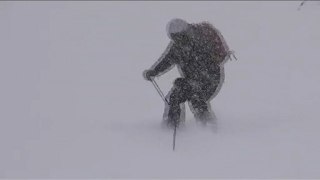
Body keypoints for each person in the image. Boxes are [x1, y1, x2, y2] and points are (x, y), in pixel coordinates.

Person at [143, 18, 234, 128]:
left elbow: (207, 64)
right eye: (174, 37)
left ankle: (208, 128)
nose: (177, 40)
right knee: (175, 96)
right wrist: (154, 71)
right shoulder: (178, 46)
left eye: (177, 37)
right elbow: (167, 60)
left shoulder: (200, 40)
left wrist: (194, 80)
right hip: (195, 80)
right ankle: (173, 127)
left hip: (210, 80)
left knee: (196, 96)